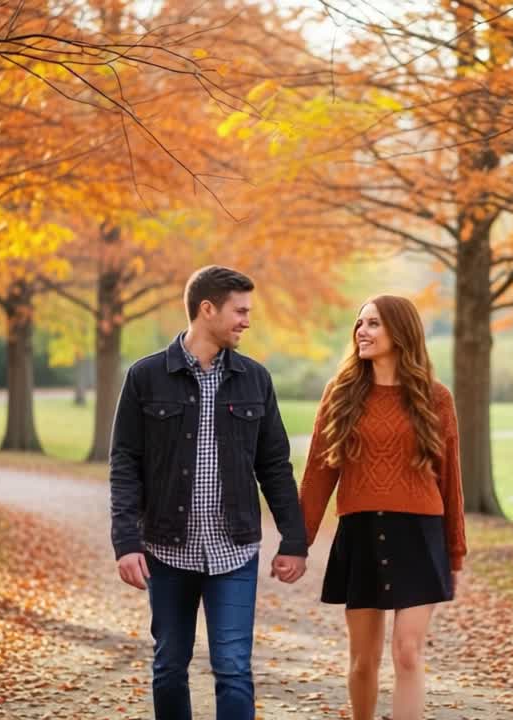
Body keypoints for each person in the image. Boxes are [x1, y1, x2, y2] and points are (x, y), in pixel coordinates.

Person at [108, 265, 309, 720]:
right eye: (239, 311)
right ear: (207, 309)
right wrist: (126, 541)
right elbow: (125, 464)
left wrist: (294, 541)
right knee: (169, 667)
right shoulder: (146, 377)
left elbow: (275, 466)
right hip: (165, 549)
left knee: (234, 669)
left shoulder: (255, 379)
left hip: (233, 551)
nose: (246, 321)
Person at [298, 294, 466, 720]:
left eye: (373, 324)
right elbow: (319, 471)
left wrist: (455, 551)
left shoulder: (435, 398)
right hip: (361, 534)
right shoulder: (341, 394)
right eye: (360, 323)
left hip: (419, 534)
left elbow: (451, 480)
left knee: (407, 653)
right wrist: (297, 543)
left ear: (400, 332)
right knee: (362, 661)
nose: (362, 331)